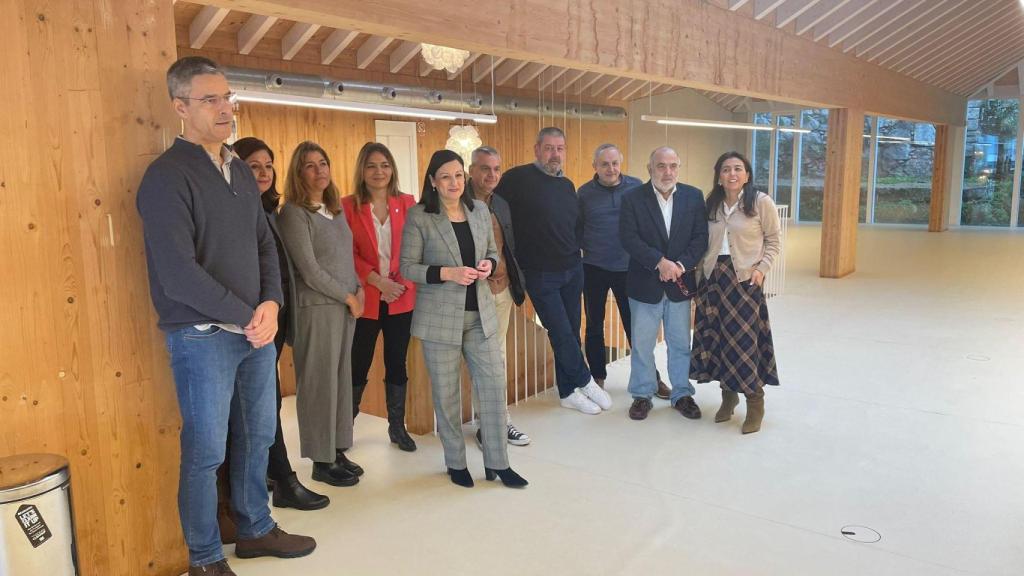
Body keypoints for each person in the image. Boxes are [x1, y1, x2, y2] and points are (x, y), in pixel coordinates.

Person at [136, 56, 314, 576]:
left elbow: (265, 244)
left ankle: (255, 528)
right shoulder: (166, 177)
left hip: (254, 332)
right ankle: (205, 559)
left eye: (227, 97)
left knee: (258, 436)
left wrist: (272, 304)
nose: (224, 108)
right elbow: (178, 274)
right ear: (180, 107)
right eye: (210, 99)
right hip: (202, 336)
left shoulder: (237, 168)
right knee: (206, 451)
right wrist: (247, 315)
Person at [213, 138, 328, 542]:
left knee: (266, 409)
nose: (263, 173)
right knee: (259, 411)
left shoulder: (268, 211)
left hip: (273, 321)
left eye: (268, 165)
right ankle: (278, 481)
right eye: (253, 165)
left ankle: (272, 481)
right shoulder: (239, 211)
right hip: (248, 325)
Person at [400, 149, 527, 489]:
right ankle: (455, 462)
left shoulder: (480, 210)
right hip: (439, 320)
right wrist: (447, 273)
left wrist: (488, 264)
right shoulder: (420, 216)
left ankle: (498, 463)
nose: (454, 182)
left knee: (493, 388)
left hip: (480, 315)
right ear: (433, 181)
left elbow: (491, 251)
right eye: (445, 176)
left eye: (458, 175)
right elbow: (408, 267)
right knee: (447, 396)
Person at [496, 127, 612, 415]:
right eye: (549, 148)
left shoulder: (567, 185)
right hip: (539, 273)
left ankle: (567, 392)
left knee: (571, 331)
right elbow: (493, 211)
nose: (554, 154)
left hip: (572, 269)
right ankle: (585, 380)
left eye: (559, 148)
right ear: (537, 149)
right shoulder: (516, 179)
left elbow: (575, 224)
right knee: (560, 332)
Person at [278, 141, 365, 487]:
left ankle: (337, 449)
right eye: (310, 165)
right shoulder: (293, 214)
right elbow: (309, 270)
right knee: (318, 384)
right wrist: (348, 295)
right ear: (298, 173)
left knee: (340, 380)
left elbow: (346, 257)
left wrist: (359, 289)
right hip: (316, 309)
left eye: (323, 163)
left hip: (344, 307)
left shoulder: (335, 210)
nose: (319, 171)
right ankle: (320, 459)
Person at [690, 151, 781, 434]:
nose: (732, 174)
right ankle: (728, 396)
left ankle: (755, 401)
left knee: (743, 342)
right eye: (726, 169)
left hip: (744, 280)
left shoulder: (760, 202)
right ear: (719, 176)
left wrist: (762, 269)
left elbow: (774, 240)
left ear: (747, 175)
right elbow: (702, 243)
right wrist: (698, 278)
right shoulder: (711, 204)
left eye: (738, 169)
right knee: (718, 339)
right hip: (713, 279)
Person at [618, 147, 709, 421]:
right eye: (661, 166)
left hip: (680, 284)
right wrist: (659, 262)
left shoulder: (693, 196)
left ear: (678, 168)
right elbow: (629, 237)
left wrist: (679, 265)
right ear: (650, 169)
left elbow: (700, 238)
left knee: (680, 343)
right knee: (642, 345)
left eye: (673, 166)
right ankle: (642, 394)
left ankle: (681, 394)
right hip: (645, 284)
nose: (667, 172)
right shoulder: (632, 198)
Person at [342, 142, 418, 452]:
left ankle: (397, 427)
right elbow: (346, 253)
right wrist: (377, 281)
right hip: (367, 298)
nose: (379, 171)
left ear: (392, 169)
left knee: (397, 362)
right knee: (357, 363)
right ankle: (344, 428)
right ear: (362, 170)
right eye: (372, 165)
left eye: (385, 165)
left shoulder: (408, 203)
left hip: (401, 296)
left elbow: (416, 248)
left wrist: (397, 285)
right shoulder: (347, 206)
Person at [578, 143, 669, 398]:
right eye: (604, 164)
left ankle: (651, 378)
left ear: (621, 164)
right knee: (594, 326)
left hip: (629, 268)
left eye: (615, 163)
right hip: (594, 267)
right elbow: (578, 227)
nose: (611, 169)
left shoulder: (636, 187)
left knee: (636, 327)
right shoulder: (584, 193)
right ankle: (597, 378)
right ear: (595, 166)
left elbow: (647, 223)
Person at [467, 146, 530, 447]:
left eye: (496, 169)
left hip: (501, 290)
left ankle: (499, 421)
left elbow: (509, 248)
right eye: (484, 168)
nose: (491, 175)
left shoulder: (501, 204)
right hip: (473, 293)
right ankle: (489, 424)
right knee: (485, 359)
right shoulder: (458, 204)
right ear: (471, 171)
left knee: (498, 357)